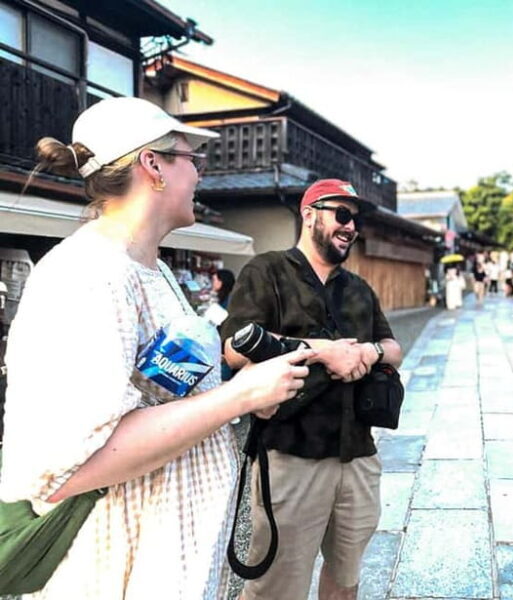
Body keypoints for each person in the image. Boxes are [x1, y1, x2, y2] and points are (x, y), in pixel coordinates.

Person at [0, 97, 313, 598]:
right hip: (111, 570)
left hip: (167, 562)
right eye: (194, 161)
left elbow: (161, 399)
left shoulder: (154, 270)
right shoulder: (86, 277)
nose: (201, 176)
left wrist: (244, 387)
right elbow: (69, 466)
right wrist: (240, 398)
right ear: (153, 166)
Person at [221, 178, 402, 600]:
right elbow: (232, 350)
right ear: (308, 214)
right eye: (341, 214)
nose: (350, 226)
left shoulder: (358, 288)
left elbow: (393, 347)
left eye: (354, 219)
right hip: (290, 455)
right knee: (277, 587)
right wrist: (323, 353)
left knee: (346, 577)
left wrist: (369, 354)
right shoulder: (267, 271)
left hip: (357, 454)